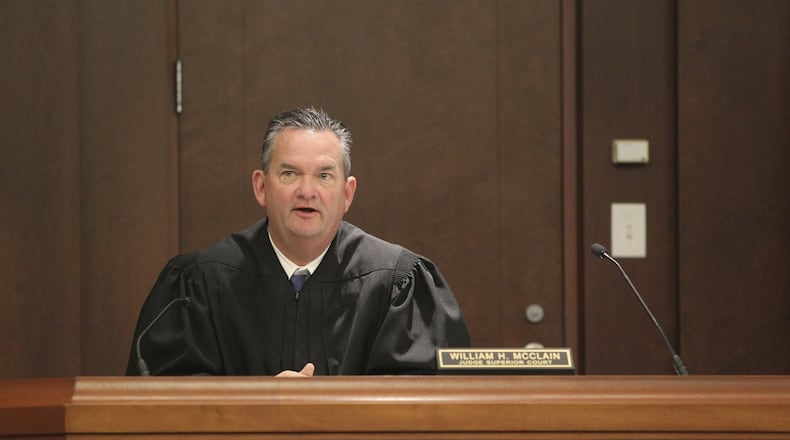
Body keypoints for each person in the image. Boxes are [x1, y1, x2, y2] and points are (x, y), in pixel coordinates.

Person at [126, 106, 470, 376]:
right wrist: (261, 407)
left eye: (324, 176)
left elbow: (430, 406)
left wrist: (323, 411)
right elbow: (164, 405)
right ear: (262, 186)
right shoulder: (199, 284)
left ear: (347, 193)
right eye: (289, 173)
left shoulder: (397, 284)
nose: (307, 191)